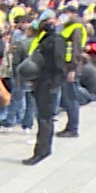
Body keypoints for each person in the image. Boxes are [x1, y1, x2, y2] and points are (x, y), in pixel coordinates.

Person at [25, 19, 70, 167]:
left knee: (45, 118)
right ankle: (43, 149)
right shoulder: (49, 39)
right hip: (43, 81)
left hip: (47, 82)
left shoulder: (55, 41)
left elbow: (58, 63)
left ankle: (42, 150)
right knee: (44, 118)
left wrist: (55, 82)